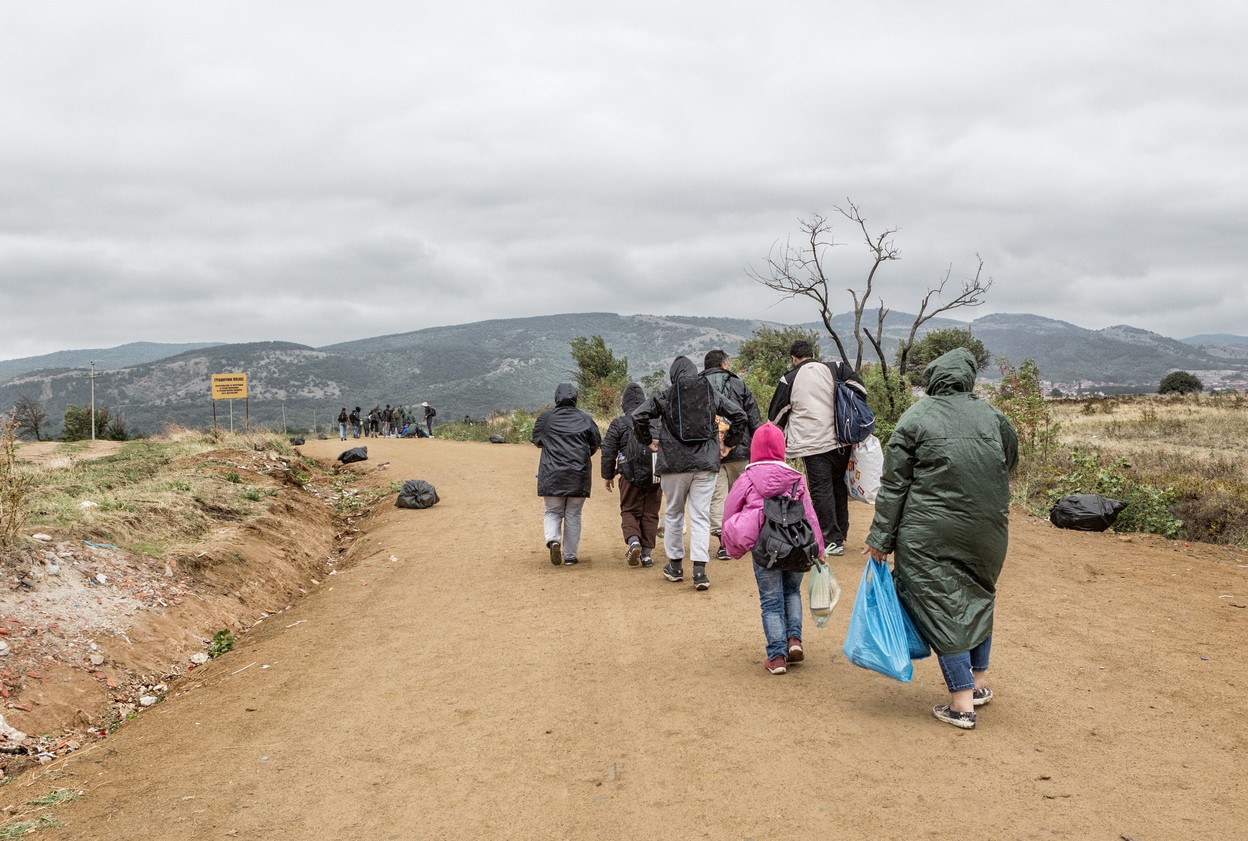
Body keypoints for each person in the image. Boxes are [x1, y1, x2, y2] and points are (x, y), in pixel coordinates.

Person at [864, 348, 1018, 730]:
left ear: (934, 379)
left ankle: (961, 703)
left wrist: (881, 538)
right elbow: (1009, 462)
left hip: (928, 533)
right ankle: (979, 684)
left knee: (942, 604)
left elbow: (894, 485)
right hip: (988, 530)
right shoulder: (993, 417)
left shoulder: (916, 417)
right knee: (979, 595)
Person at [631, 356, 748, 591]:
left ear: (673, 375)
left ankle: (675, 566)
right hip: (706, 463)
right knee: (701, 516)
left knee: (674, 514)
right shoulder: (709, 392)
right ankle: (699, 571)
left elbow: (638, 416)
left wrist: (649, 442)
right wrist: (729, 444)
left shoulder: (665, 395)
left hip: (673, 464)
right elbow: (740, 416)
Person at [721, 422, 824, 674]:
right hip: (796, 546)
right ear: (781, 448)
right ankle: (794, 640)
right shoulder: (795, 478)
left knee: (771, 602)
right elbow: (809, 514)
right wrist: (819, 549)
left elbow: (730, 510)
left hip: (766, 547)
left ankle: (777, 657)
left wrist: (730, 543)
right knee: (792, 593)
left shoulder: (747, 478)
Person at [768, 339, 853, 557]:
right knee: (837, 484)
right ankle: (841, 533)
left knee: (821, 489)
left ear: (793, 358)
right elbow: (859, 390)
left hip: (812, 443)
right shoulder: (836, 368)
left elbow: (775, 415)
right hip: (842, 439)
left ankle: (831, 538)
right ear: (813, 353)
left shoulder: (790, 378)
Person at [700, 349, 762, 559]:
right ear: (725, 364)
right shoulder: (739, 384)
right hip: (741, 450)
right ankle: (743, 538)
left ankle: (723, 543)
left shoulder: (698, 387)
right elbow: (753, 417)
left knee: (717, 498)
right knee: (743, 496)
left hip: (709, 453)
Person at [532, 383, 602, 566]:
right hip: (578, 475)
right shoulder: (585, 418)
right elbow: (595, 443)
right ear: (575, 398)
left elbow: (537, 440)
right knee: (573, 513)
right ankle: (570, 555)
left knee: (552, 511)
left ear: (556, 397)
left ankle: (553, 540)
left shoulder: (546, 417)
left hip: (551, 473)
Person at [601, 382, 663, 568]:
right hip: (655, 476)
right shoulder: (656, 421)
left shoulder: (619, 423)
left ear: (624, 403)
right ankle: (647, 554)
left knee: (629, 510)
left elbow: (608, 451)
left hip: (630, 475)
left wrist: (608, 474)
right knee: (651, 513)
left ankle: (633, 541)